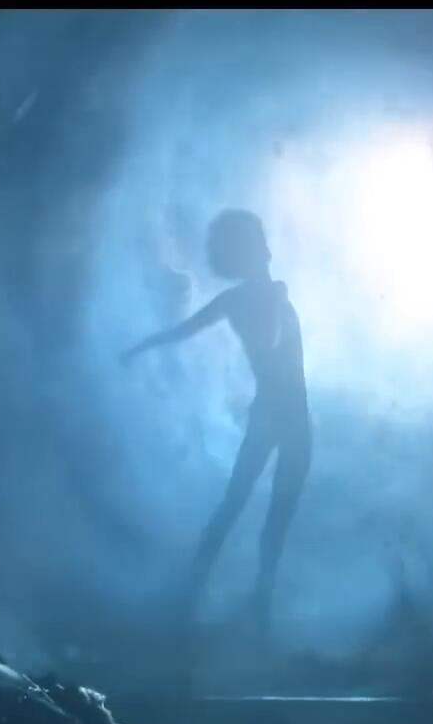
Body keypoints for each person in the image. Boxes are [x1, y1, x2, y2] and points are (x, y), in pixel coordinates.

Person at [122, 209, 312, 634]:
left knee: (271, 522)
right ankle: (190, 599)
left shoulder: (248, 299)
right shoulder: (247, 300)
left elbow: (183, 332)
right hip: (276, 415)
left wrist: (138, 350)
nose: (265, 248)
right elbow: (262, 343)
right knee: (236, 506)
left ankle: (254, 611)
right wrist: (139, 349)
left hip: (292, 419)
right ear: (248, 253)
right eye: (256, 242)